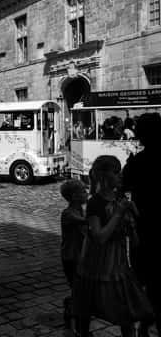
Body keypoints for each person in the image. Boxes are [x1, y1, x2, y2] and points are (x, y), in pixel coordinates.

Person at [73, 155, 153, 337]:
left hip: (118, 265)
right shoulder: (95, 203)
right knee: (87, 307)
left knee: (126, 315)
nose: (121, 176)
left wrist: (132, 225)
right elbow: (99, 237)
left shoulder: (120, 198)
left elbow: (134, 241)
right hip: (96, 265)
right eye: (116, 172)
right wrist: (118, 214)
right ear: (104, 176)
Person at [123, 113, 161, 336]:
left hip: (144, 227)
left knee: (144, 277)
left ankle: (145, 323)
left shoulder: (138, 162)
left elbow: (124, 184)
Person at [60, 179, 88, 329]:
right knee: (78, 288)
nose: (87, 193)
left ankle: (72, 307)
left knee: (79, 288)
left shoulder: (80, 210)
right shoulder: (68, 213)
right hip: (71, 258)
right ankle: (74, 312)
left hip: (79, 256)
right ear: (74, 196)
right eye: (83, 191)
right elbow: (85, 222)